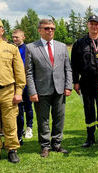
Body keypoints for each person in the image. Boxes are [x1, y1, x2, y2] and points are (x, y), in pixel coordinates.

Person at [25, 19, 72, 157]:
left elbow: (68, 68)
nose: (50, 31)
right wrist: (32, 91)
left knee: (59, 118)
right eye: (47, 28)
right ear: (39, 30)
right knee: (43, 120)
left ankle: (57, 144)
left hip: (60, 89)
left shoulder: (62, 46)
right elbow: (29, 72)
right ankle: (45, 146)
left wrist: (68, 86)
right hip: (41, 90)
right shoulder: (31, 47)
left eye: (52, 28)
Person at [71, 15, 98, 148]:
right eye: (92, 24)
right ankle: (90, 138)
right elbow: (74, 64)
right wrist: (75, 82)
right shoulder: (79, 43)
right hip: (86, 83)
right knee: (89, 110)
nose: (94, 26)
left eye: (97, 24)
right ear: (87, 25)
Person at [0, 19, 26, 163]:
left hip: (7, 90)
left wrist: (19, 92)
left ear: (2, 30)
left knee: (10, 122)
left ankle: (12, 149)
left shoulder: (11, 48)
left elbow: (20, 73)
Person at [12, 29, 34, 145]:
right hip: (15, 84)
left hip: (26, 83)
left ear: (23, 37)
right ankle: (18, 133)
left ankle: (29, 127)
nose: (15, 39)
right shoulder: (11, 49)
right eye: (13, 37)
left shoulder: (28, 49)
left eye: (17, 37)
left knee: (28, 106)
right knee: (18, 109)